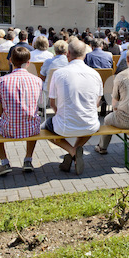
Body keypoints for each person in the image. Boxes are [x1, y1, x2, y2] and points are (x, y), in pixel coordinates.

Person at [44, 40, 103, 175]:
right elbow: (97, 104)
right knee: (88, 125)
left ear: (68, 53)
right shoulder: (95, 74)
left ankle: (72, 151)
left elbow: (52, 103)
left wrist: (60, 114)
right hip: (91, 124)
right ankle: (76, 151)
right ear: (85, 54)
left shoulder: (58, 73)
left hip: (65, 126)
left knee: (45, 128)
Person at [0, 47, 43, 175]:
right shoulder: (38, 81)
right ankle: (28, 159)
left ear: (10, 60)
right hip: (31, 128)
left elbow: (0, 109)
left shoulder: (0, 81)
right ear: (28, 62)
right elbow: (39, 105)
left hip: (9, 128)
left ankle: (4, 162)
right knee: (34, 120)